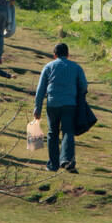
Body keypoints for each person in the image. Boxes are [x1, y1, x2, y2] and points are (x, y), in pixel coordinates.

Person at [34, 42, 88, 174]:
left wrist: (37, 108)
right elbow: (84, 86)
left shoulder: (48, 67)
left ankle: (53, 164)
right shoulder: (76, 67)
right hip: (69, 104)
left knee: (52, 132)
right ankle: (68, 161)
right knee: (68, 131)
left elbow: (40, 89)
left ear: (54, 55)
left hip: (52, 104)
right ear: (68, 55)